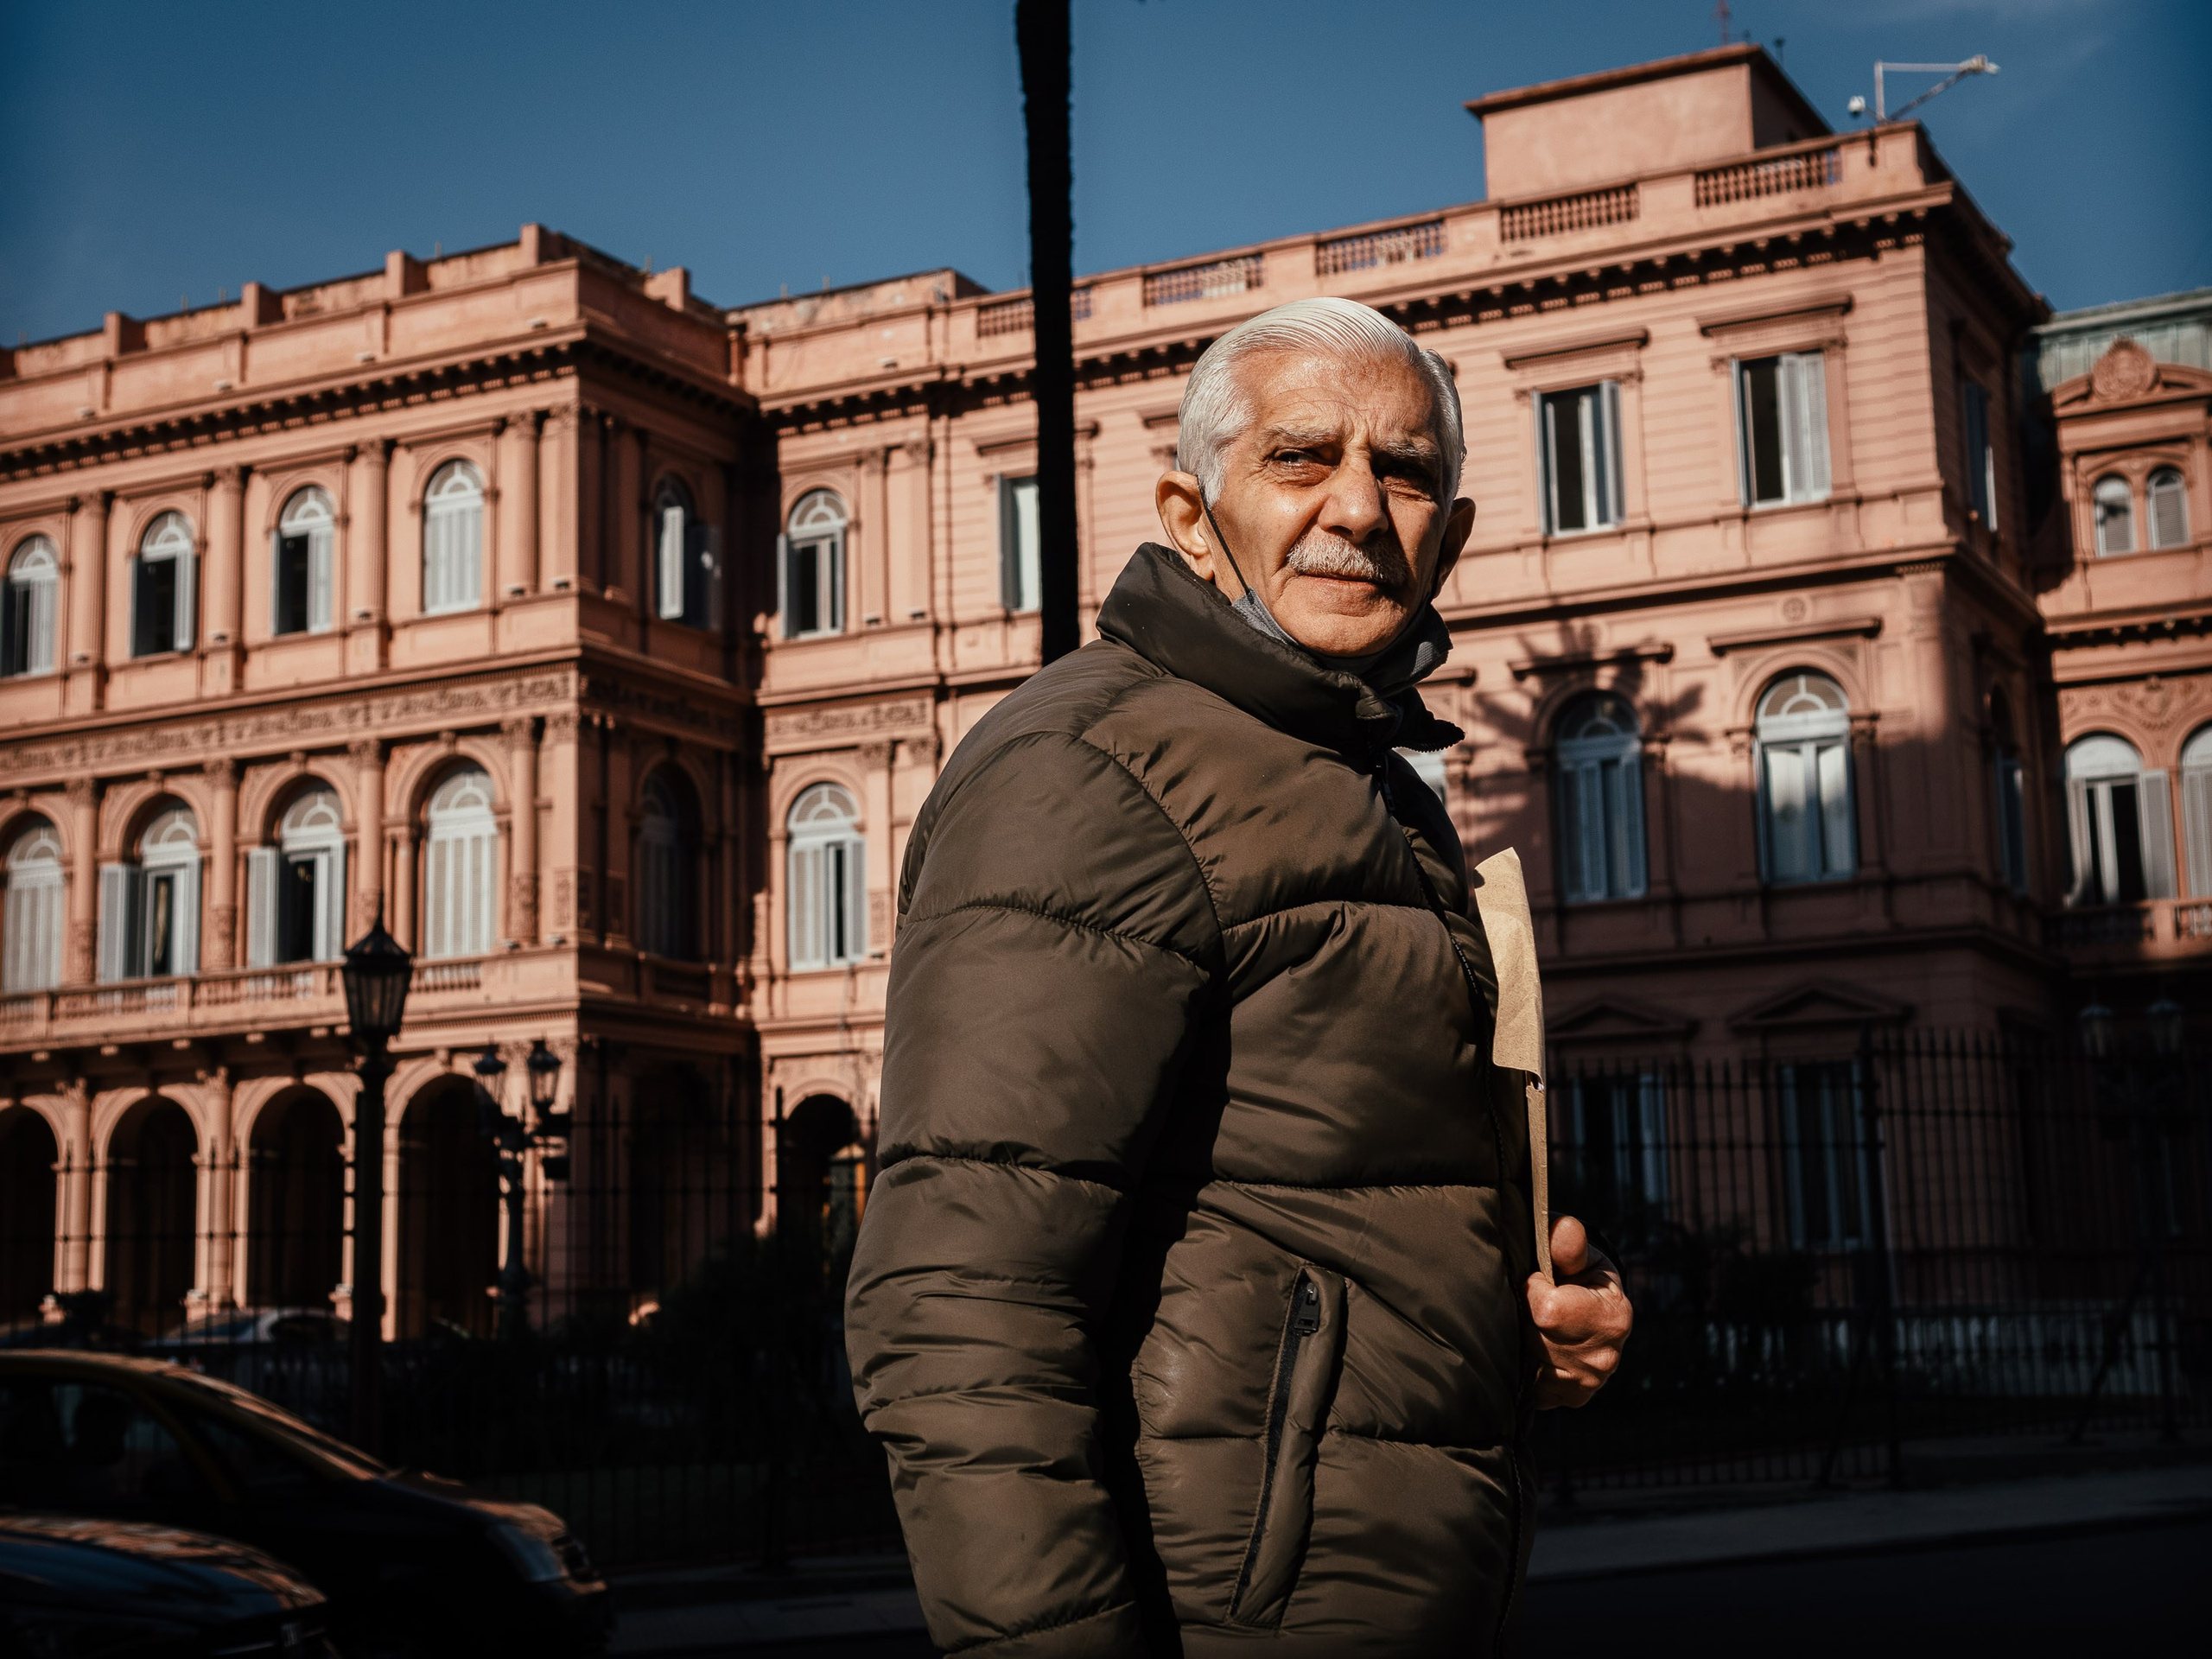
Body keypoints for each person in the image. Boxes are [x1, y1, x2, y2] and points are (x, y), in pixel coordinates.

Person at [845, 297, 1631, 1656]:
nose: (1359, 508)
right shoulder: (1092, 769)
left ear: (1454, 533)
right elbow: (962, 1309)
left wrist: (1525, 1330)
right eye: (1299, 458)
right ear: (1191, 514)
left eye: (1404, 472)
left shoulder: (1363, 782)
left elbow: (1318, 1220)